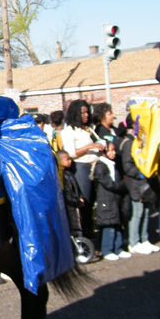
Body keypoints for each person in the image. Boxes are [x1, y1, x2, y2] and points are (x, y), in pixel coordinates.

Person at [60, 100, 105, 240]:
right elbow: (70, 153)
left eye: (87, 112)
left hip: (97, 168)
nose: (86, 115)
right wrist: (90, 147)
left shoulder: (88, 129)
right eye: (83, 113)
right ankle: (86, 236)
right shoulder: (68, 131)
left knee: (96, 204)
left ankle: (96, 234)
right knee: (85, 204)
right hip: (82, 169)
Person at [117, 116, 159, 255]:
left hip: (144, 183)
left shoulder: (141, 141)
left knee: (146, 212)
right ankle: (133, 242)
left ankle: (144, 239)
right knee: (137, 212)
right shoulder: (129, 142)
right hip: (135, 183)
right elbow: (127, 165)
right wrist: (140, 173)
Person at [92, 141, 131, 261]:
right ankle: (107, 249)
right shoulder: (100, 166)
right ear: (104, 151)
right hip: (106, 199)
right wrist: (121, 186)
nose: (114, 153)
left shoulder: (112, 164)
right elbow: (108, 183)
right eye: (112, 150)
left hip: (115, 199)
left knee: (116, 223)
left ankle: (118, 248)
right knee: (109, 224)